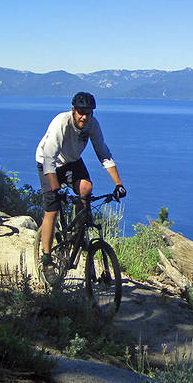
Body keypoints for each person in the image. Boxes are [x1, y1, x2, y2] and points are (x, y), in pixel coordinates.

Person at [35, 91, 126, 283]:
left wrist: (118, 184)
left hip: (71, 161)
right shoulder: (61, 123)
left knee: (86, 188)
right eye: (81, 112)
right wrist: (56, 188)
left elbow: (104, 153)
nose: (84, 116)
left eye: (88, 112)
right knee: (51, 209)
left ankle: (78, 230)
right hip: (48, 162)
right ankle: (46, 258)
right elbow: (49, 159)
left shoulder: (92, 125)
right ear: (73, 110)